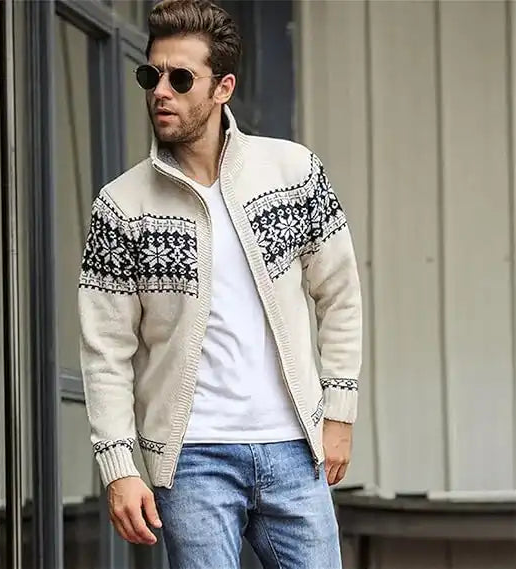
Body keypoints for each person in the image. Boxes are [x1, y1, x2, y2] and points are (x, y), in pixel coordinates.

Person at [78, 0, 362, 567]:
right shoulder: (121, 205)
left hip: (294, 448)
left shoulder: (294, 172)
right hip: (192, 461)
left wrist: (339, 413)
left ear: (222, 88)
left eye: (181, 79)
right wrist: (119, 467)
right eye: (151, 76)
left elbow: (339, 296)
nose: (161, 92)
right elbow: (105, 349)